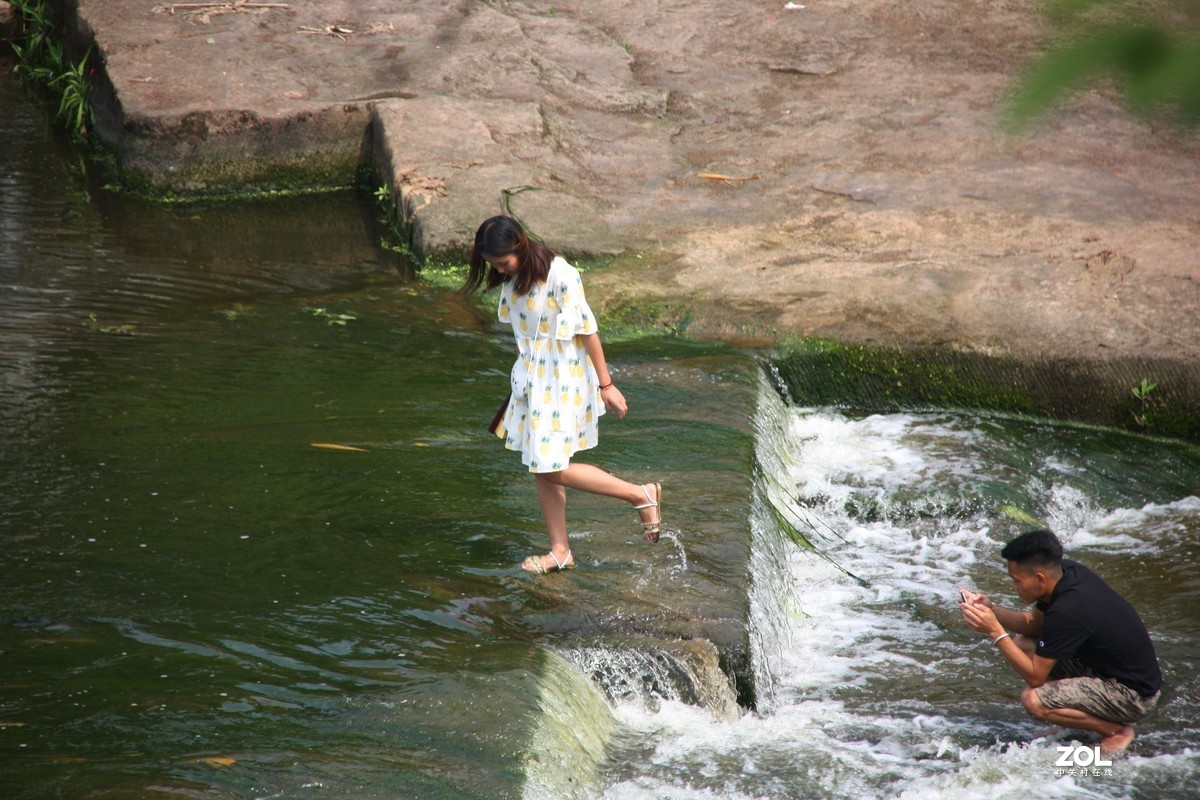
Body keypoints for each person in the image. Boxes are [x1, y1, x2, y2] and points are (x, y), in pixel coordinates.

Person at [462, 216, 663, 573]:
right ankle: (560, 550)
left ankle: (639, 494)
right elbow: (527, 338)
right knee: (541, 468)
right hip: (534, 384)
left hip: (562, 381)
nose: (500, 271)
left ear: (520, 245)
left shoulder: (561, 275)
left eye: (503, 263)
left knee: (551, 467)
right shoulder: (513, 279)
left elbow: (588, 331)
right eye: (493, 265)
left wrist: (606, 385)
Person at [960, 529, 1161, 753]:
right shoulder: (1066, 573)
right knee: (1023, 644)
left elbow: (1035, 677)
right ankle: (1071, 710)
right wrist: (991, 610)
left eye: (1016, 580)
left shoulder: (1068, 610)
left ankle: (1115, 730)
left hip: (1131, 695)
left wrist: (994, 630)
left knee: (1034, 701)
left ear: (1039, 579)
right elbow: (1035, 625)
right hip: (1108, 672)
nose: (1013, 586)